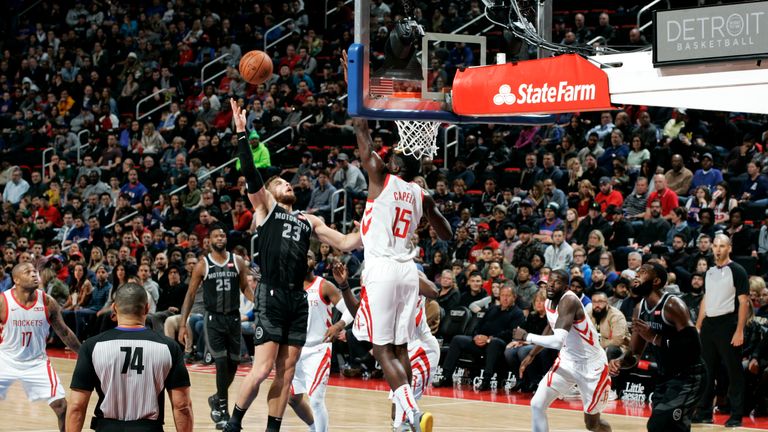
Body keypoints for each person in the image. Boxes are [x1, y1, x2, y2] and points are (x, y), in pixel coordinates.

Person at [223, 99, 361, 432]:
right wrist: (242, 133)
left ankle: (273, 428)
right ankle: (234, 423)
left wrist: (363, 229)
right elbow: (251, 175)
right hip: (270, 293)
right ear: (270, 192)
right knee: (262, 368)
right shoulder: (266, 209)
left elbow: (343, 243)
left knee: (287, 373)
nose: (288, 184)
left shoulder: (309, 219)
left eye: (288, 183)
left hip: (296, 300)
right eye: (281, 182)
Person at [350, 116, 452, 432]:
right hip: (409, 272)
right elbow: (446, 233)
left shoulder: (381, 177)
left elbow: (362, 136)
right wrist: (427, 220)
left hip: (381, 269)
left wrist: (356, 108)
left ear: (394, 164)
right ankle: (403, 420)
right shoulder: (423, 195)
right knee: (401, 348)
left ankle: (411, 411)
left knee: (381, 350)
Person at [66, 282, 193, 432]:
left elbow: (76, 407)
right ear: (146, 308)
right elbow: (182, 406)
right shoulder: (169, 347)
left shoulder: (91, 346)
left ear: (114, 308)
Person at [609, 263, 706, 431]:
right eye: (637, 271)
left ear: (656, 281)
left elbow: (694, 347)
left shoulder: (673, 305)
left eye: (643, 272)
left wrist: (654, 337)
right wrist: (620, 361)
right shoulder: (639, 309)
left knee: (658, 424)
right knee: (672, 428)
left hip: (689, 377)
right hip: (665, 376)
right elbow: (634, 353)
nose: (636, 275)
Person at [513, 269, 612, 432]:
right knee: (537, 404)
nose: (550, 285)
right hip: (567, 361)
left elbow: (557, 341)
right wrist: (531, 354)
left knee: (592, 424)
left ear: (566, 287)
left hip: (591, 366)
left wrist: (527, 336)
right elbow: (551, 328)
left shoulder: (569, 301)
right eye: (549, 281)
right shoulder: (548, 302)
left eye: (557, 282)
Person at [177, 222, 251, 429]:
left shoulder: (237, 261)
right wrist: (183, 324)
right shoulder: (203, 264)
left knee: (233, 365)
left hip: (234, 318)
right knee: (220, 363)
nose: (221, 239)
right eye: (217, 236)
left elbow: (245, 287)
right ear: (208, 241)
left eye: (223, 236)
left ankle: (216, 397)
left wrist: (259, 305)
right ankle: (223, 412)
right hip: (213, 319)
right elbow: (190, 295)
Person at [0, 263, 81, 432]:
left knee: (61, 406)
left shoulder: (47, 301)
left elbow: (64, 333)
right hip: (5, 359)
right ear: (16, 280)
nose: (34, 274)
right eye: (27, 272)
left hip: (37, 362)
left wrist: (83, 353)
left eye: (34, 271)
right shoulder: (3, 301)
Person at [287, 254, 358, 432]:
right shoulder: (290, 286)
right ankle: (314, 428)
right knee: (293, 399)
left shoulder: (324, 285)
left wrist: (338, 325)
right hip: (295, 349)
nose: (304, 259)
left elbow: (350, 311)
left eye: (308, 256)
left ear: (314, 262)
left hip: (318, 349)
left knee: (316, 400)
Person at [692, 234, 749, 428]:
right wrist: (698, 326)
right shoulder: (709, 272)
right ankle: (704, 412)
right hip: (709, 325)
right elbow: (706, 300)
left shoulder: (738, 270)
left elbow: (744, 302)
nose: (717, 249)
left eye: (722, 246)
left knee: (734, 372)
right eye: (715, 245)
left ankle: (736, 414)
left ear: (729, 248)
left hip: (728, 324)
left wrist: (740, 330)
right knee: (707, 371)